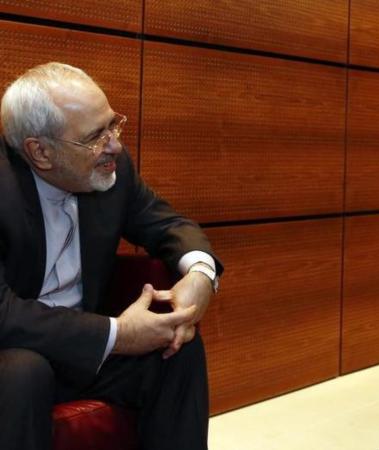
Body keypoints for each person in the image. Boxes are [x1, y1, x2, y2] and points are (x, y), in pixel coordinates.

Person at [0, 62, 222, 450]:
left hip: (84, 349)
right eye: (95, 137)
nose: (114, 146)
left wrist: (200, 276)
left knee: (177, 347)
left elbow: (169, 224)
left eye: (111, 126)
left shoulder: (112, 170)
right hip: (14, 349)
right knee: (24, 371)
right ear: (41, 151)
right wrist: (117, 335)